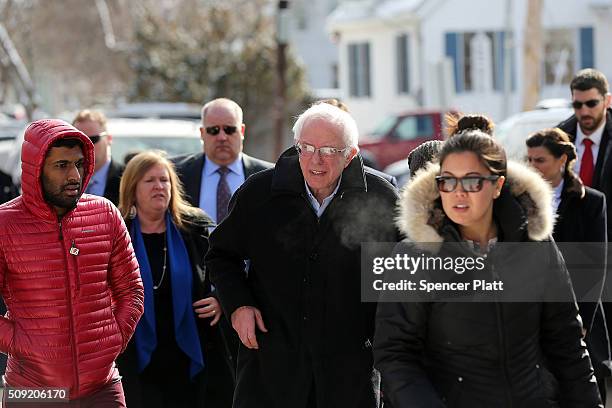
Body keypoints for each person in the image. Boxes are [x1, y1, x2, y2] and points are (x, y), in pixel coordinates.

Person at [375, 115, 602, 407]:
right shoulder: (414, 256)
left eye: (471, 180)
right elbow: (395, 354)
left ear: (497, 185)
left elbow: (567, 343)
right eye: (447, 181)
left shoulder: (536, 246)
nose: (458, 192)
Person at [206, 103, 400, 408]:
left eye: (328, 150)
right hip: (271, 370)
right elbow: (220, 255)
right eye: (306, 148)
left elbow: (402, 276)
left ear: (350, 155)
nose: (315, 160)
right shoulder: (260, 193)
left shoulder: (381, 198)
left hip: (347, 374)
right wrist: (238, 304)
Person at [0, 119, 144, 407]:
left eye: (78, 164)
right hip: (31, 390)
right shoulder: (4, 223)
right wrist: (23, 343)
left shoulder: (105, 213)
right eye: (61, 165)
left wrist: (111, 341)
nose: (74, 175)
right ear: (36, 169)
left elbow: (132, 291)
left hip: (102, 387)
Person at [116, 151, 235, 408]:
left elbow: (229, 270)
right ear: (132, 188)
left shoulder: (195, 227)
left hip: (189, 351)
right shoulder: (117, 231)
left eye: (164, 180)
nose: (159, 187)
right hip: (136, 354)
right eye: (149, 181)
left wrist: (219, 299)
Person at [526, 127, 610, 401]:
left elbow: (596, 266)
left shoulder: (592, 203)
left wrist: (582, 320)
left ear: (561, 160)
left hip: (580, 312)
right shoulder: (520, 203)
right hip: (536, 315)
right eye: (529, 160)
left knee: (584, 388)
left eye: (540, 160)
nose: (532, 166)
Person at [173, 98, 272, 224]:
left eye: (229, 129)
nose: (222, 137)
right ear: (202, 133)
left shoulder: (269, 176)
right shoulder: (177, 173)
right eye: (213, 130)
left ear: (241, 131)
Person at [558, 68, 612, 237]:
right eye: (577, 105)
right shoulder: (559, 138)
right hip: (570, 243)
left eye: (591, 103)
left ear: (607, 100)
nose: (584, 111)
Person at [73, 109, 124, 205]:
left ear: (109, 139)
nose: (86, 145)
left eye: (93, 139)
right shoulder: (62, 181)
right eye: (79, 141)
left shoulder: (127, 179)